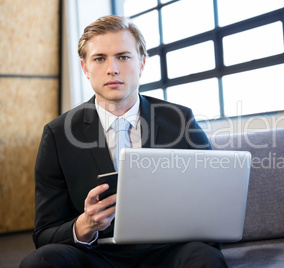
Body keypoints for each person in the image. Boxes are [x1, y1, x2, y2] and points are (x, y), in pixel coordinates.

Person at [20, 15, 228, 268]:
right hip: (96, 255)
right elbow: (44, 233)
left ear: (141, 63)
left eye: (123, 56)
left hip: (168, 252)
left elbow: (212, 204)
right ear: (85, 68)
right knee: (41, 262)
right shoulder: (58, 134)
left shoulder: (180, 119)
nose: (112, 69)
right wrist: (84, 225)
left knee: (205, 258)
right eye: (99, 58)